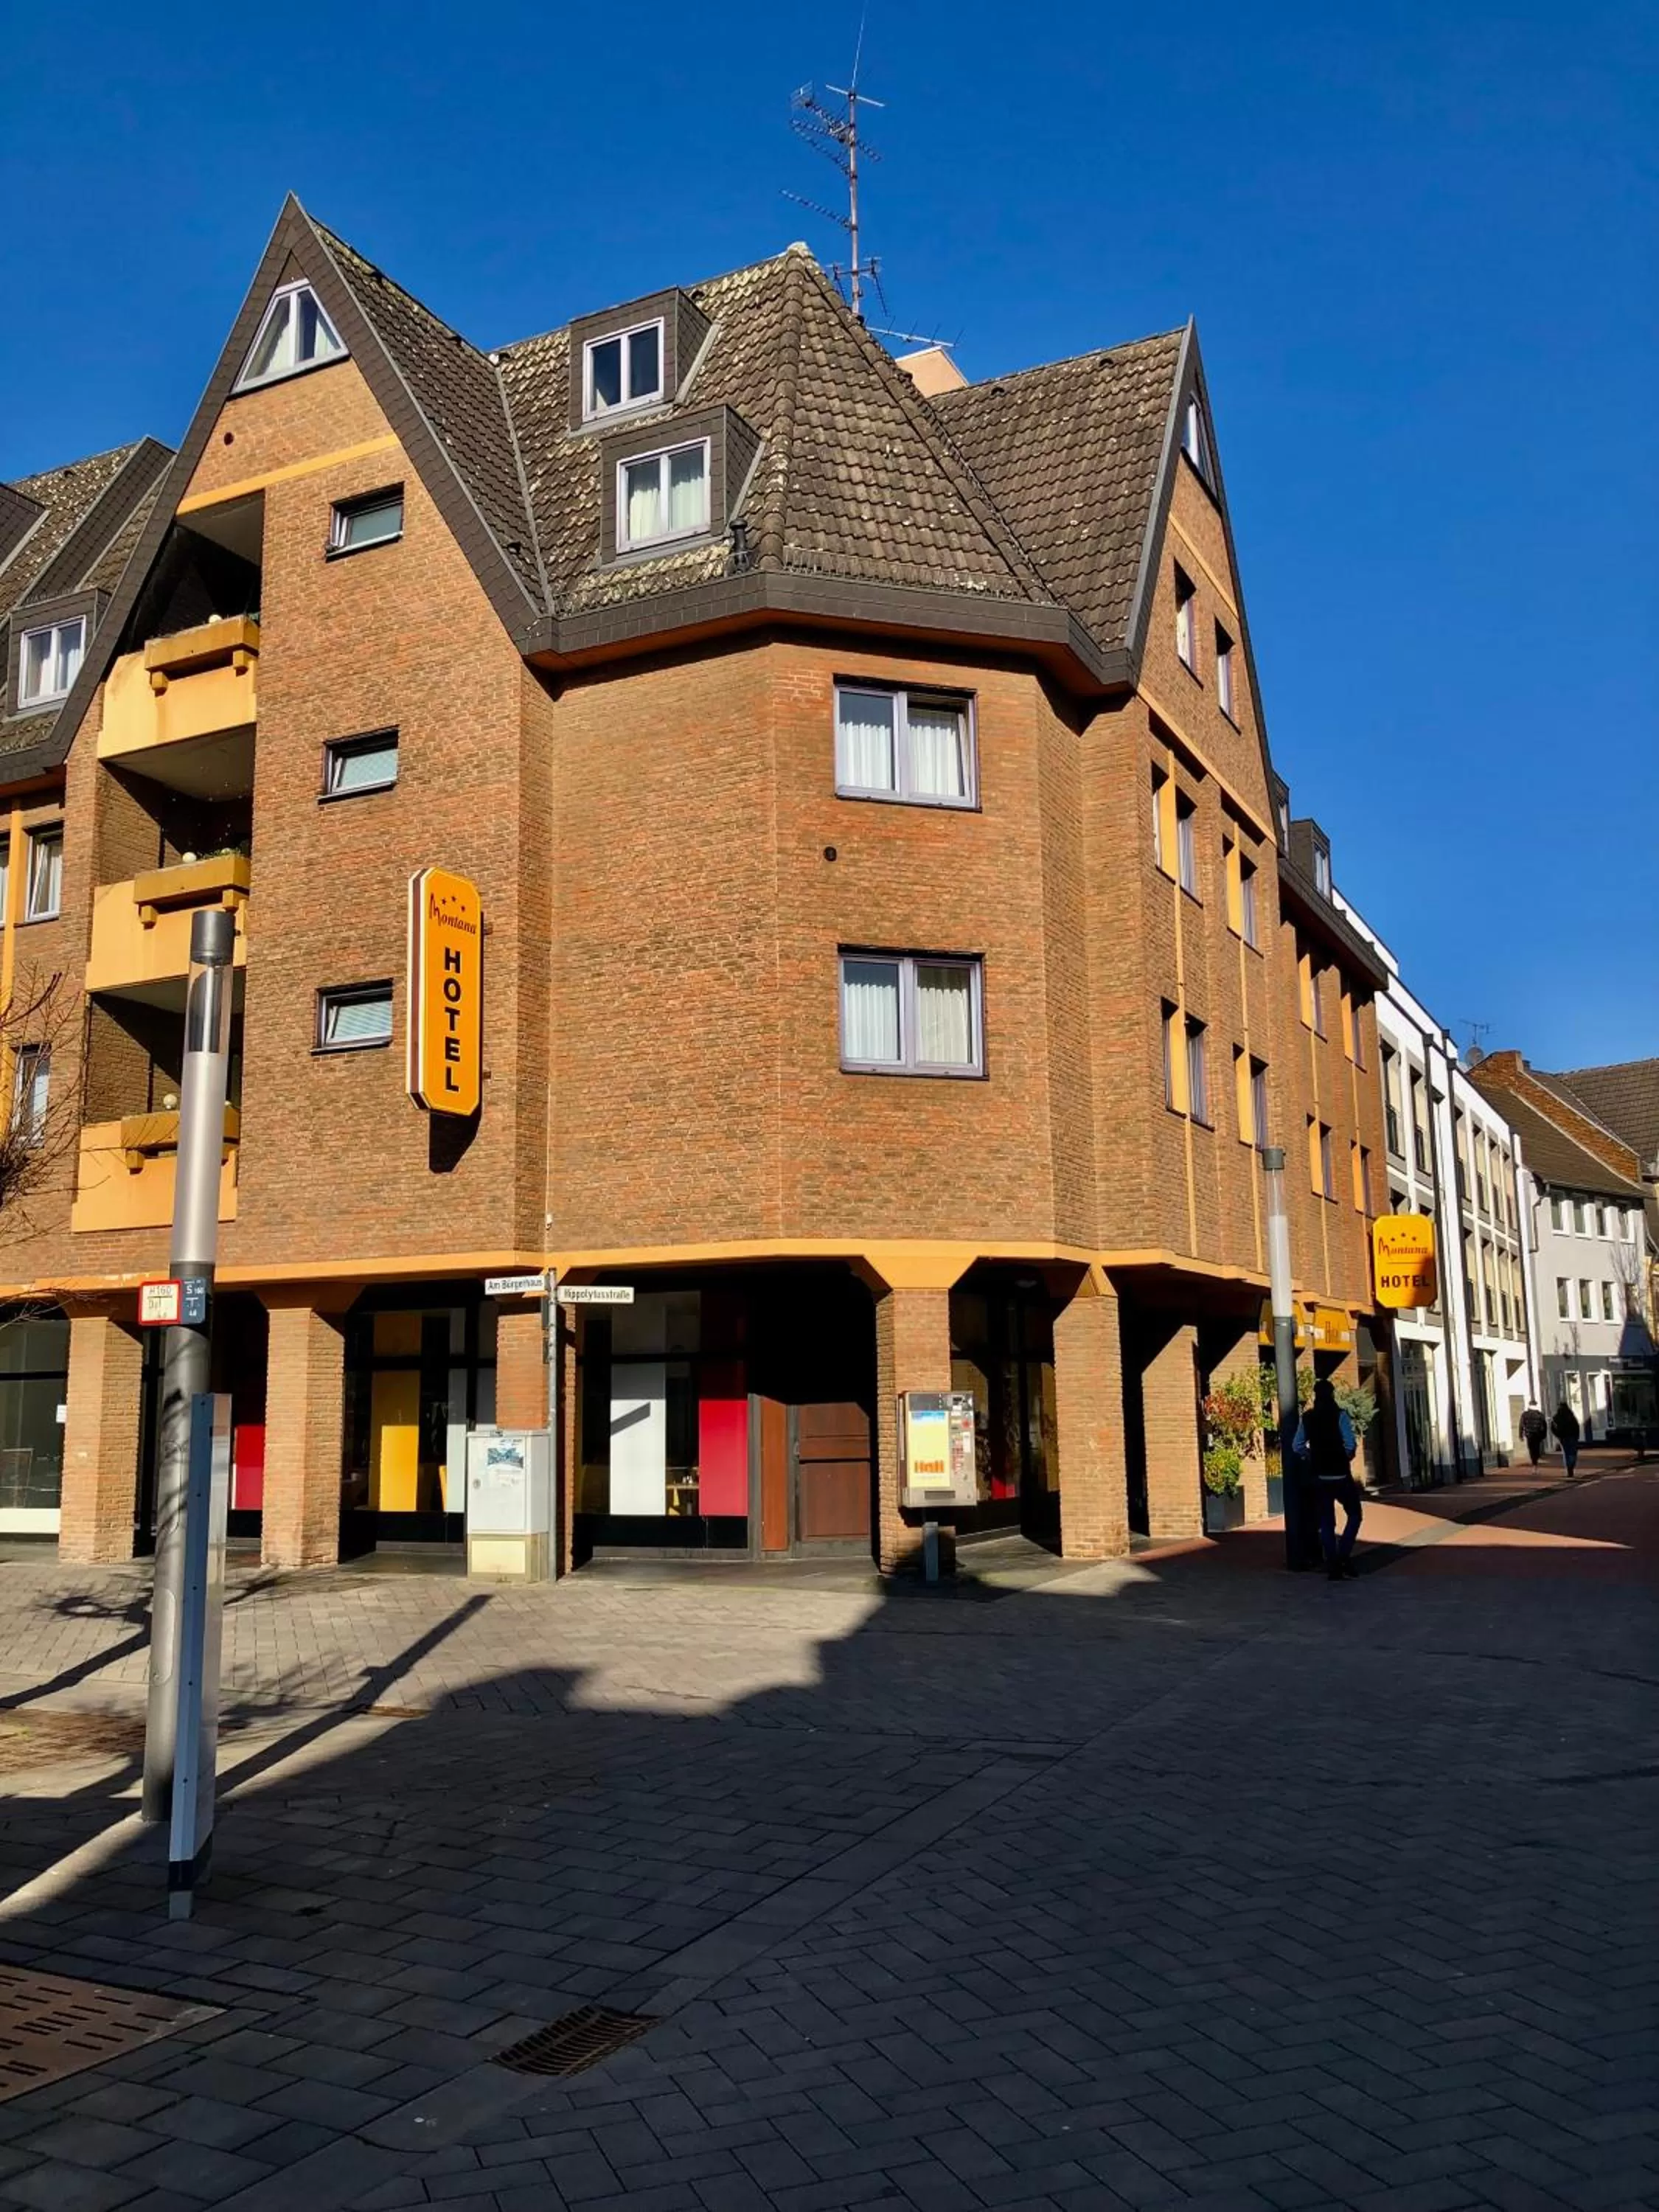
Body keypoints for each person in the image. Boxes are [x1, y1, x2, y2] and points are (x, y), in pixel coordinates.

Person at [1293, 1378, 1363, 1581]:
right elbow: (1350, 1444)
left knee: (1326, 1522)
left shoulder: (1308, 1418)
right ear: (1332, 1394)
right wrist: (1344, 1457)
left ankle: (1333, 1564)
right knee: (1355, 1515)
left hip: (1319, 1476)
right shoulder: (1340, 1415)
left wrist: (1310, 1456)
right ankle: (1344, 1555)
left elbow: (1297, 1445)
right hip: (1341, 1475)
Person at [1551, 1399, 1581, 1475]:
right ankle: (1572, 1465)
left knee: (1566, 1453)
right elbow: (1576, 1426)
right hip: (1572, 1436)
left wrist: (1558, 1435)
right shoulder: (1571, 1416)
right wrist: (1577, 1436)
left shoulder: (1556, 1417)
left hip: (1563, 1437)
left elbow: (1553, 1428)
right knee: (1573, 1452)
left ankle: (1569, 1468)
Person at [1519, 1402, 1548, 1468]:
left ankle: (1534, 1462)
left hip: (1529, 1434)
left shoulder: (1525, 1415)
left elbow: (1521, 1425)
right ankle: (1536, 1460)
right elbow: (1545, 1426)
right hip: (1538, 1434)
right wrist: (1544, 1435)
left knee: (1531, 1448)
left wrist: (1521, 1435)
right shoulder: (1540, 1414)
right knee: (1537, 1448)